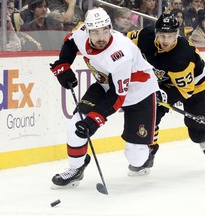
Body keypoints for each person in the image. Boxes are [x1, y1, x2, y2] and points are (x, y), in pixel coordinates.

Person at [50, 7, 159, 187]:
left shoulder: (120, 54)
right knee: (75, 125)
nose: (101, 37)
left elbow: (118, 95)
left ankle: (147, 152)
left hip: (139, 92)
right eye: (95, 32)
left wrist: (94, 121)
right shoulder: (81, 34)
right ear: (87, 30)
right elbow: (70, 42)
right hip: (105, 84)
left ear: (110, 28)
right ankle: (76, 168)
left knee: (135, 159)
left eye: (105, 31)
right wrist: (63, 65)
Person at [127, 13, 205, 158]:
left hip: (194, 86)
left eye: (170, 36)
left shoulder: (182, 56)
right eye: (162, 35)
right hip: (163, 82)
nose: (166, 40)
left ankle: (203, 137)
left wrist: (165, 96)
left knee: (197, 131)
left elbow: (186, 90)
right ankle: (148, 150)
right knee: (149, 114)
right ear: (156, 33)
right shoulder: (144, 36)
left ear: (177, 35)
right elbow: (124, 43)